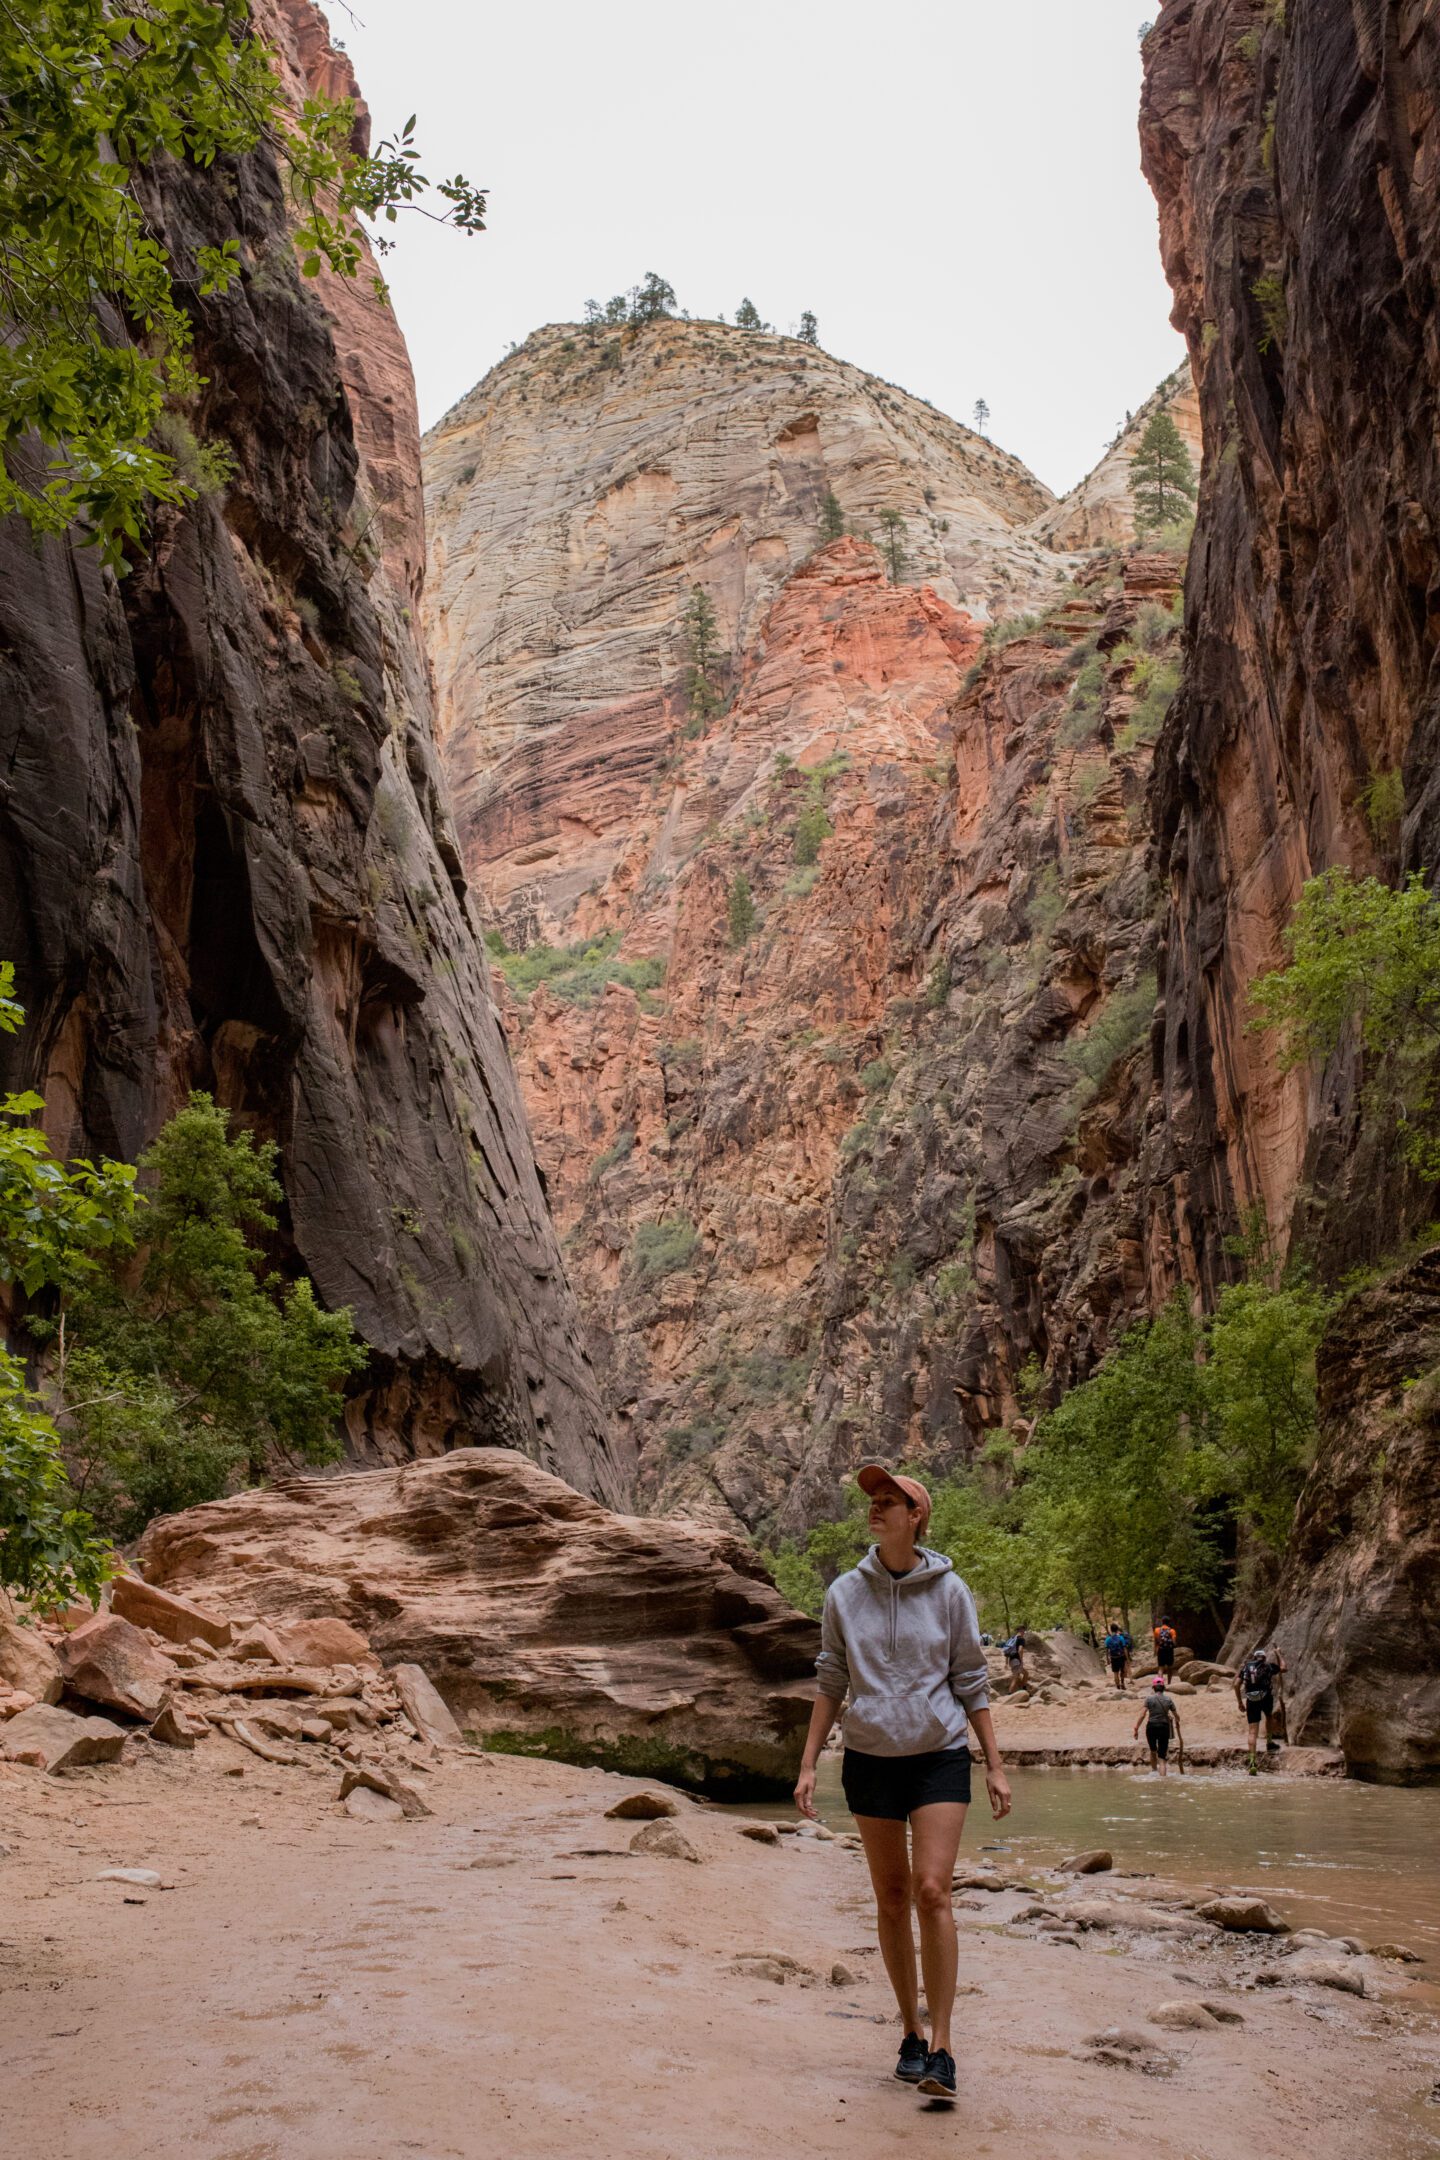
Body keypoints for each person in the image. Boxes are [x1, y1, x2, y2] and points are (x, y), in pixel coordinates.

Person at [794, 1463, 1011, 2105]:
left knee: (933, 1890)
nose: (876, 1508)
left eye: (890, 1500)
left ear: (916, 1516)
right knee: (891, 1897)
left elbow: (971, 1678)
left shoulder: (950, 1591)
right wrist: (809, 1762)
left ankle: (942, 2048)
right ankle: (909, 2032)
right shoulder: (843, 1594)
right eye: (873, 1500)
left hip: (938, 1754)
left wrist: (994, 1763)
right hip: (869, 1757)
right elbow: (831, 1679)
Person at [1235, 1644, 1287, 1773]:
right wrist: (1278, 1653)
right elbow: (1284, 1668)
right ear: (1263, 1658)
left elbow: (1236, 1684)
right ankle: (1269, 1743)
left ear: (1254, 1658)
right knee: (1268, 1716)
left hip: (1251, 1699)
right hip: (1265, 1697)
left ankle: (1252, 1762)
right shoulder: (1268, 1666)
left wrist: (1240, 1702)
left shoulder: (1246, 1667)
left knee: (1252, 1731)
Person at [1133, 1674, 1181, 1775]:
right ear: (1163, 1688)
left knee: (1153, 1751)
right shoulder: (1168, 1700)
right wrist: (1176, 1720)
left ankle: (1154, 1772)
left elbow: (1142, 1715)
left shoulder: (1149, 1699)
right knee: (1162, 1757)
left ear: (1153, 1688)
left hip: (1151, 1727)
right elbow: (1177, 1716)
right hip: (1164, 1727)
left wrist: (1136, 1728)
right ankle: (1162, 1780)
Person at [1103, 1621, 1132, 1692]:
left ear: (1111, 1629)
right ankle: (1122, 1683)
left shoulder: (1107, 1639)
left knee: (1115, 1673)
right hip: (1121, 1657)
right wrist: (1127, 1658)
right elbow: (1124, 1649)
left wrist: (1107, 1659)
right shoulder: (1121, 1638)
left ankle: (1118, 1686)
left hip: (1113, 1658)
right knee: (1122, 1671)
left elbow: (1107, 1650)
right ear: (1117, 1630)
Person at [1001, 1626, 1029, 1693]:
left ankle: (1023, 1689)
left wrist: (1006, 1663)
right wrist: (1021, 1661)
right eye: (1024, 1631)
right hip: (1016, 1660)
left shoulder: (1012, 1639)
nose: (1024, 1633)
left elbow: (1007, 1651)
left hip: (1011, 1660)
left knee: (1025, 1673)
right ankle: (1010, 1694)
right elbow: (1020, 1650)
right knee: (1015, 1677)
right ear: (1022, 1630)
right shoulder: (1021, 1639)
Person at [1152, 1617, 1178, 1682]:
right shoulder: (1172, 1631)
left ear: (1162, 1622)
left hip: (1161, 1650)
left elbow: (1156, 1642)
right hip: (1169, 1651)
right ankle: (1169, 1683)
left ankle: (1160, 1683)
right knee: (1170, 1667)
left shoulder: (1157, 1630)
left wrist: (1155, 1651)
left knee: (1160, 1668)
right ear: (1169, 1623)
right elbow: (1174, 1642)